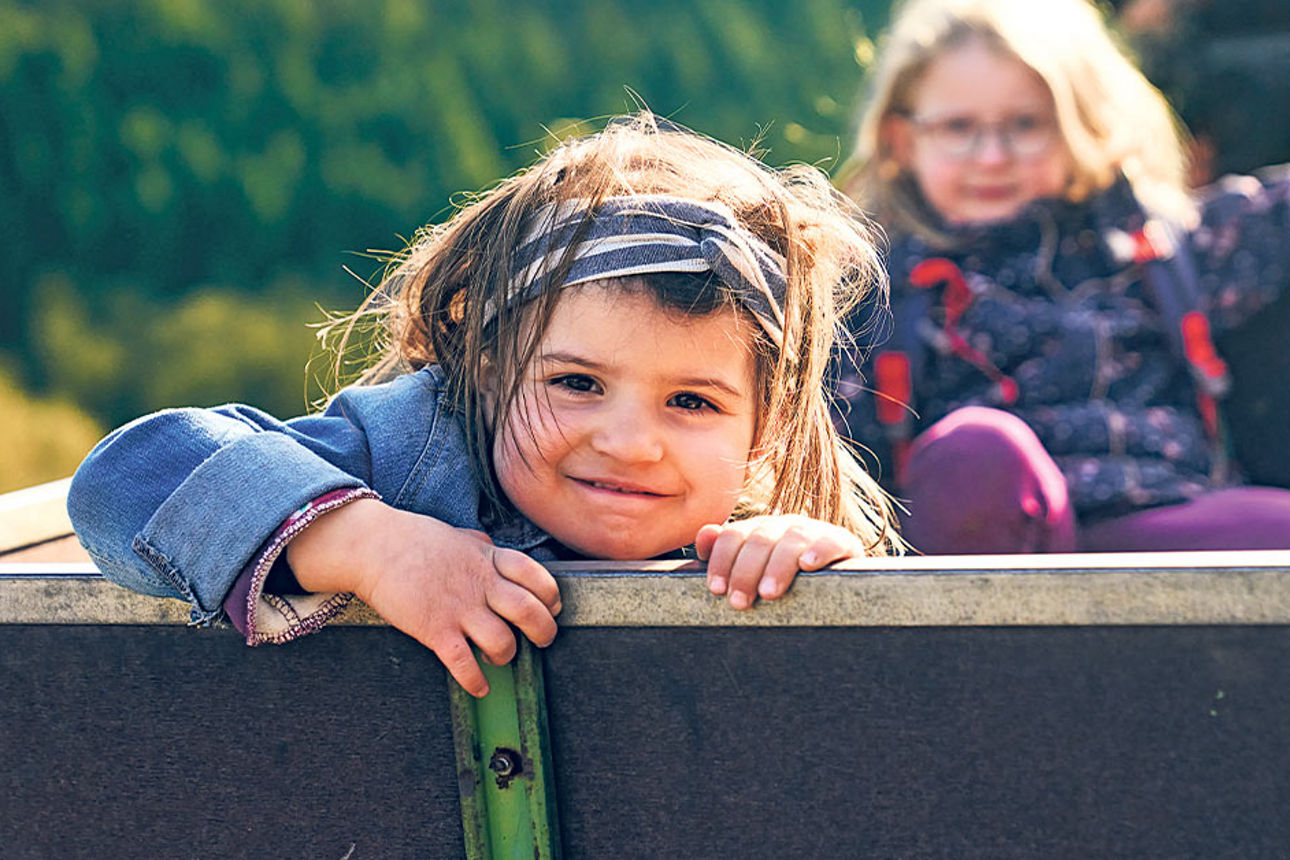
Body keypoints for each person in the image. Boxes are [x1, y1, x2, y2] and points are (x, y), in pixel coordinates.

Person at [68, 113, 902, 697]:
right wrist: (370, 545)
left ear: (765, 430)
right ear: (488, 369)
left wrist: (815, 568)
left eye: (691, 400)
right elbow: (126, 479)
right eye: (576, 383)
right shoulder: (407, 450)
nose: (631, 443)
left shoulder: (749, 523)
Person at [832, 0, 1290, 554]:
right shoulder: (869, 286)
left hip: (1156, 519)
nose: (993, 156)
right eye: (958, 127)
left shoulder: (1154, 249)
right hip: (975, 542)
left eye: (1026, 125)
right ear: (902, 141)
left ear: (1086, 125)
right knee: (975, 452)